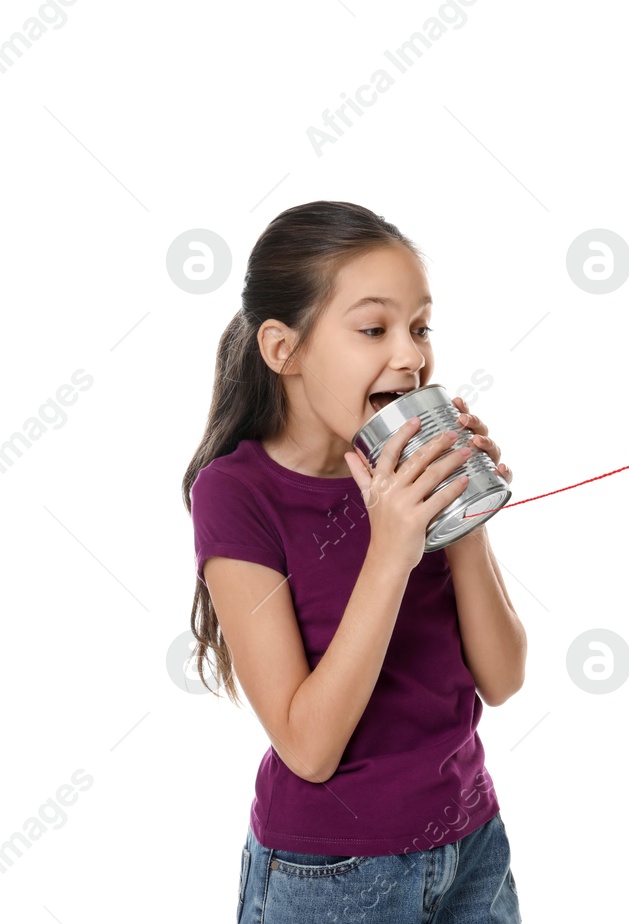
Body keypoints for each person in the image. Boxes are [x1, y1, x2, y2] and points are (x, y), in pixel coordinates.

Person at [182, 200, 525, 922]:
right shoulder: (237, 495)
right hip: (331, 874)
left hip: (473, 846)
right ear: (285, 350)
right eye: (374, 329)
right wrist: (391, 550)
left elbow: (503, 678)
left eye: (420, 327)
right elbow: (308, 747)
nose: (411, 355)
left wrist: (462, 519)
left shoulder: (402, 481)